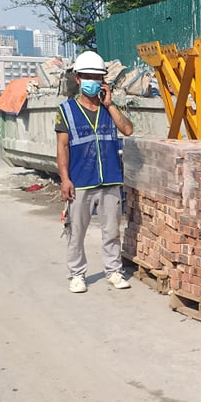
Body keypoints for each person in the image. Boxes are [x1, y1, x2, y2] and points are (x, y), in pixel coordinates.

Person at [56, 50, 135, 293]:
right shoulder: (66, 110)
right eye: (88, 77)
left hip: (109, 178)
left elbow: (128, 130)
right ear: (78, 79)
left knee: (111, 231)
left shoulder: (109, 110)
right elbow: (62, 147)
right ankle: (76, 274)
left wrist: (110, 104)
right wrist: (65, 179)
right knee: (76, 232)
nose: (92, 81)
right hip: (80, 181)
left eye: (97, 77)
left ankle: (113, 271)